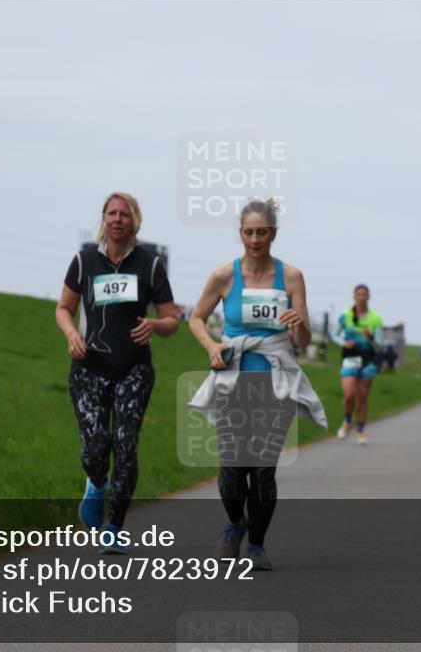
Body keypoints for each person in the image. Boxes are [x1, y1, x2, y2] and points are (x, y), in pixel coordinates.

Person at [188, 198, 327, 571]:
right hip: (233, 383)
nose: (254, 239)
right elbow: (197, 319)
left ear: (273, 234)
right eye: (248, 232)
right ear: (240, 234)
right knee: (234, 470)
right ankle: (235, 523)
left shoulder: (292, 277)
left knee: (263, 469)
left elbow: (302, 342)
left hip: (275, 383)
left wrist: (299, 322)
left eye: (261, 232)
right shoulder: (224, 276)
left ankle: (258, 547)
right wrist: (212, 345)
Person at [56, 192, 180, 554]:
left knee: (125, 447)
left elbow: (172, 318)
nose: (117, 219)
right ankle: (96, 484)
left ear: (134, 221)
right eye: (112, 213)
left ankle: (114, 527)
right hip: (89, 366)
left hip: (133, 369)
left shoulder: (150, 265)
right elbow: (64, 308)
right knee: (95, 449)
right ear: (104, 219)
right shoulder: (84, 262)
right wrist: (71, 334)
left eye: (125, 214)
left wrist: (155, 326)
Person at [332, 284, 383, 444]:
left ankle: (360, 430)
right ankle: (347, 421)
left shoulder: (375, 318)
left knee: (362, 397)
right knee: (349, 395)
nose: (361, 297)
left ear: (369, 297)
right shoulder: (345, 316)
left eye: (364, 294)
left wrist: (371, 337)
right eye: (358, 294)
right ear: (354, 296)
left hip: (368, 361)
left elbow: (380, 345)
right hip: (349, 358)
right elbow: (334, 334)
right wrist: (343, 343)